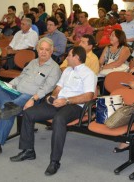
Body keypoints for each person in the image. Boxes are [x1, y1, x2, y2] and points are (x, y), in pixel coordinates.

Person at [10, 46, 97, 176]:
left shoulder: (89, 74)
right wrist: (54, 95)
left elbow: (88, 96)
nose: (66, 57)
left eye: (69, 55)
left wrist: (66, 100)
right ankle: (28, 151)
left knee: (59, 119)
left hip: (75, 106)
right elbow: (58, 87)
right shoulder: (67, 70)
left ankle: (54, 161)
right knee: (28, 113)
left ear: (77, 58)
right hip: (59, 102)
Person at [0, 37, 61, 160]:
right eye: (41, 49)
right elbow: (20, 77)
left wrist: (33, 98)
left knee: (8, 112)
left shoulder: (54, 68)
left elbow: (46, 89)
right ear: (37, 49)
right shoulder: (32, 62)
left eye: (47, 50)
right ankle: (9, 105)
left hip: (31, 98)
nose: (43, 52)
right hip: (16, 92)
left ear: (51, 52)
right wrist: (9, 85)